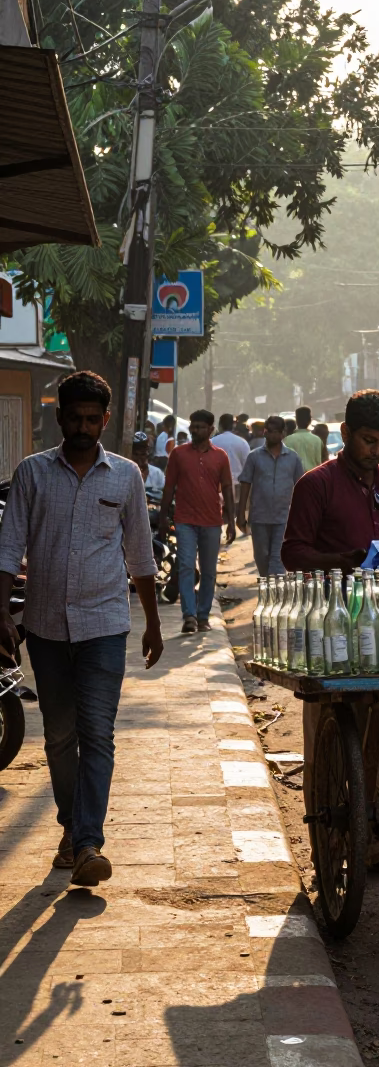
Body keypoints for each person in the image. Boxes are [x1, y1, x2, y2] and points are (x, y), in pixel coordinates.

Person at [0, 370, 163, 888]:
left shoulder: (126, 477)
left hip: (105, 625)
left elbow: (140, 555)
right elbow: (8, 549)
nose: (84, 427)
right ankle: (73, 829)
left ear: (106, 421)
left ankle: (88, 840)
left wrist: (153, 626)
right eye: (75, 418)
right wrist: (0, 613)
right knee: (58, 734)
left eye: (93, 419)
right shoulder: (31, 474)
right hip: (45, 627)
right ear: (59, 417)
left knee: (98, 733)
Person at [282, 389, 379, 878]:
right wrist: (343, 563)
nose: (377, 451)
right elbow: (293, 553)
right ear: (345, 434)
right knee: (329, 734)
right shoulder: (316, 484)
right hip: (330, 629)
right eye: (369, 441)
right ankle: (330, 845)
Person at [158, 410, 236, 634]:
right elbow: (169, 486)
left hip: (212, 521)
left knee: (209, 571)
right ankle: (189, 615)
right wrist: (163, 516)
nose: (195, 430)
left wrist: (231, 520)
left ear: (211, 430)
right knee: (185, 567)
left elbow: (228, 488)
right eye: (193, 426)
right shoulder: (178, 454)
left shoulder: (220, 456)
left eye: (201, 427)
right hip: (185, 520)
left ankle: (203, 616)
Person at [237, 416, 303, 576]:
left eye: (275, 432)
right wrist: (240, 515)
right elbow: (245, 484)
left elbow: (301, 487)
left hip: (283, 517)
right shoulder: (254, 457)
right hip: (259, 517)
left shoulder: (293, 458)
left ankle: (274, 595)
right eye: (268, 431)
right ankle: (268, 590)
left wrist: (301, 517)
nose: (271, 435)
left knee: (277, 558)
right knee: (261, 557)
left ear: (283, 433)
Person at [212, 413, 251, 507]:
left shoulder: (212, 442)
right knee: (234, 512)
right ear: (233, 425)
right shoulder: (242, 443)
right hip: (237, 484)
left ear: (220, 425)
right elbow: (247, 466)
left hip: (217, 485)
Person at [283, 405, 326, 471]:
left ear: (296, 421)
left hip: (296, 478)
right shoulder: (317, 440)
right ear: (310, 421)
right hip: (313, 477)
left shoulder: (287, 440)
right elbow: (318, 462)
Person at [132, 431, 165, 497]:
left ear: (147, 454)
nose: (139, 458)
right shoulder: (125, 472)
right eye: (136, 454)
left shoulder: (157, 473)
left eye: (143, 454)